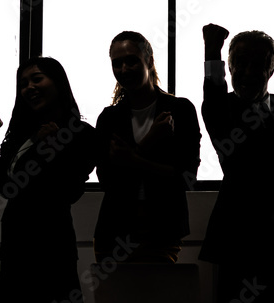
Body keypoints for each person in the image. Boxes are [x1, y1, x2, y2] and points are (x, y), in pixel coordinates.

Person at [198, 23, 274, 303]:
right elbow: (213, 94)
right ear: (229, 68)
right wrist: (212, 52)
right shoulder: (223, 109)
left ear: (271, 69)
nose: (248, 72)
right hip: (242, 241)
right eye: (240, 64)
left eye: (258, 64)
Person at [0, 57, 96, 302]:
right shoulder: (21, 134)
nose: (29, 87)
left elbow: (68, 190)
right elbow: (5, 186)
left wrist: (45, 149)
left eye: (37, 79)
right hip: (15, 248)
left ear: (58, 83)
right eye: (23, 83)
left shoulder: (82, 135)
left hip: (52, 248)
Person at [94, 31, 201, 264]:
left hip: (162, 230)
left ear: (149, 61)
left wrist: (131, 159)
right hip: (114, 231)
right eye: (117, 63)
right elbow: (108, 180)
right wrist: (149, 142)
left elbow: (187, 178)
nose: (123, 69)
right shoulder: (109, 118)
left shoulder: (180, 110)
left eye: (132, 60)